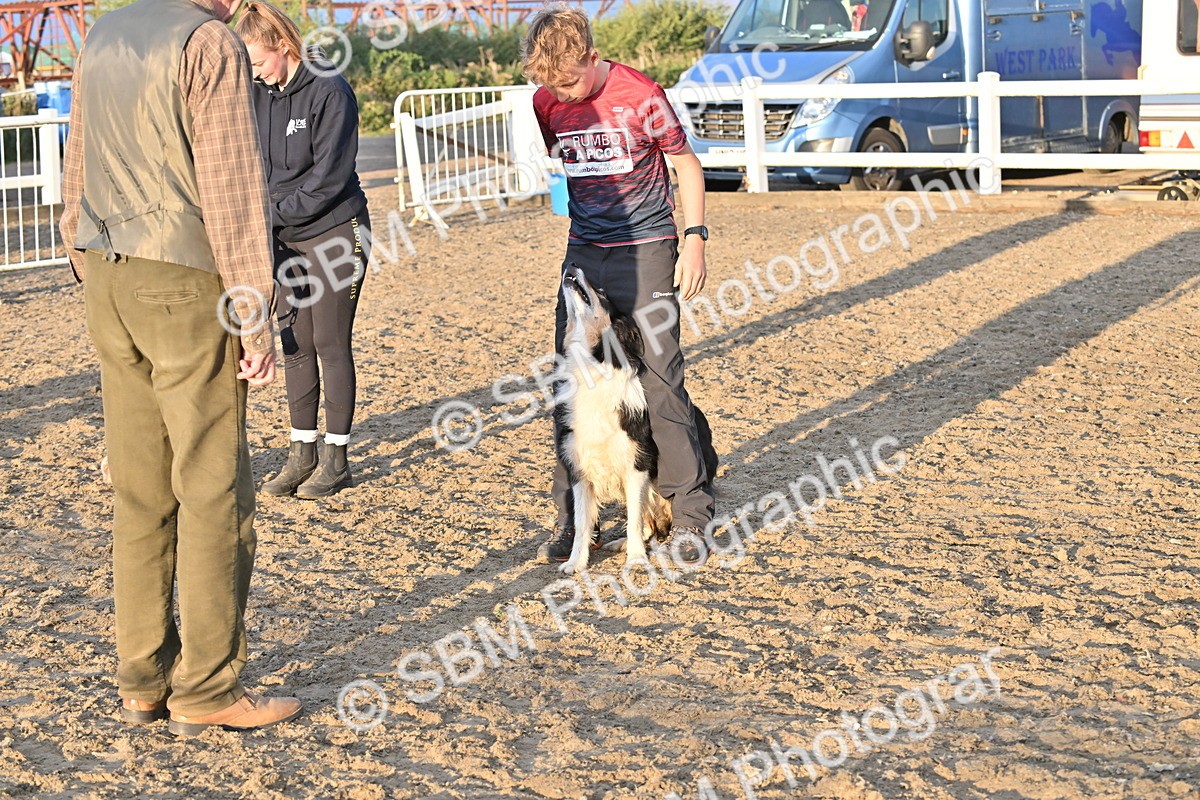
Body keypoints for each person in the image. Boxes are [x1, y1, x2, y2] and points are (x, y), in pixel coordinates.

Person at [59, 0, 301, 734]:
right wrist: (253, 314)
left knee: (139, 491)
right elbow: (230, 193)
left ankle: (141, 678)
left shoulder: (102, 34)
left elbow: (76, 167)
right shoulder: (208, 43)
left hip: (107, 271)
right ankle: (207, 688)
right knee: (212, 488)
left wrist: (86, 260)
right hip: (184, 280)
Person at [522, 5, 716, 567]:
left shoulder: (642, 94)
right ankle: (577, 518)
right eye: (551, 85)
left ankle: (690, 515)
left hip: (649, 247)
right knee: (573, 382)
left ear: (590, 54)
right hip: (584, 249)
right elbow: (566, 161)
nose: (562, 93)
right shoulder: (547, 101)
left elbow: (686, 164)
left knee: (658, 379)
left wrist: (696, 238)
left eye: (569, 80)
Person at [234, 2, 372, 499]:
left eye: (257, 62)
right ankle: (301, 453)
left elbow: (328, 179)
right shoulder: (256, 92)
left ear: (283, 46)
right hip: (283, 234)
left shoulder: (329, 89)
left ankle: (336, 460)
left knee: (329, 341)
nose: (253, 73)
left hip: (335, 229)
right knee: (293, 342)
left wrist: (266, 215)